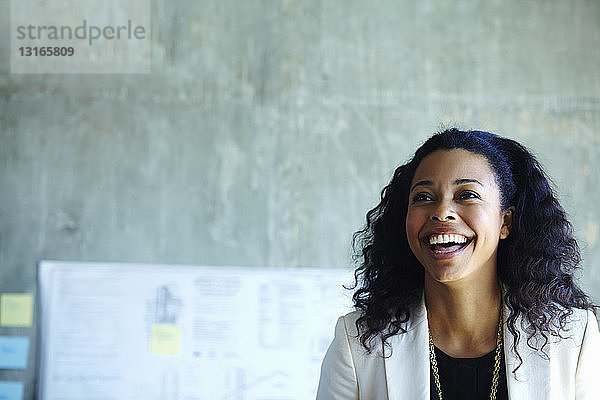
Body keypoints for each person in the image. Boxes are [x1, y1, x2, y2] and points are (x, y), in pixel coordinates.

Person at [316, 129, 600, 400]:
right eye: (423, 198)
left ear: (506, 221)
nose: (441, 213)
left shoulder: (574, 337)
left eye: (466, 195)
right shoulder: (356, 343)